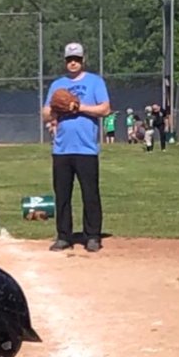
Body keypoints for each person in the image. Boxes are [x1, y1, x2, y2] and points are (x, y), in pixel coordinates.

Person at [43, 43, 111, 253]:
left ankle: (92, 236)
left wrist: (78, 107)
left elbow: (105, 109)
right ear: (65, 61)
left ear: (83, 60)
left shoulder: (95, 82)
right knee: (62, 195)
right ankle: (64, 236)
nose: (73, 62)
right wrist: (57, 110)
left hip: (86, 149)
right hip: (62, 149)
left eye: (77, 59)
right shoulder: (57, 84)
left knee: (90, 194)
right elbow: (45, 112)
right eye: (70, 59)